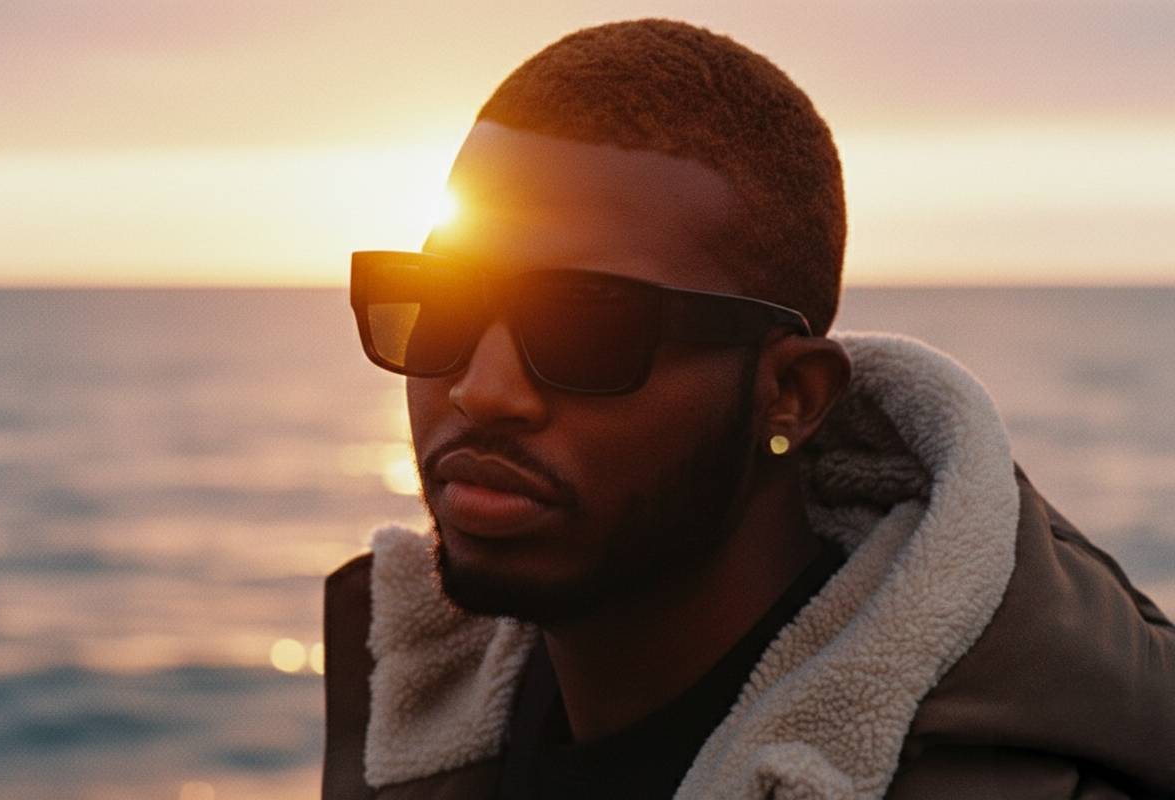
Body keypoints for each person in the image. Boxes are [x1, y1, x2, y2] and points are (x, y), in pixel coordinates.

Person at [324, 19, 1175, 799]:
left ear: (789, 395)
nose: (483, 388)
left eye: (589, 322)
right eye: (439, 301)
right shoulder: (417, 724)